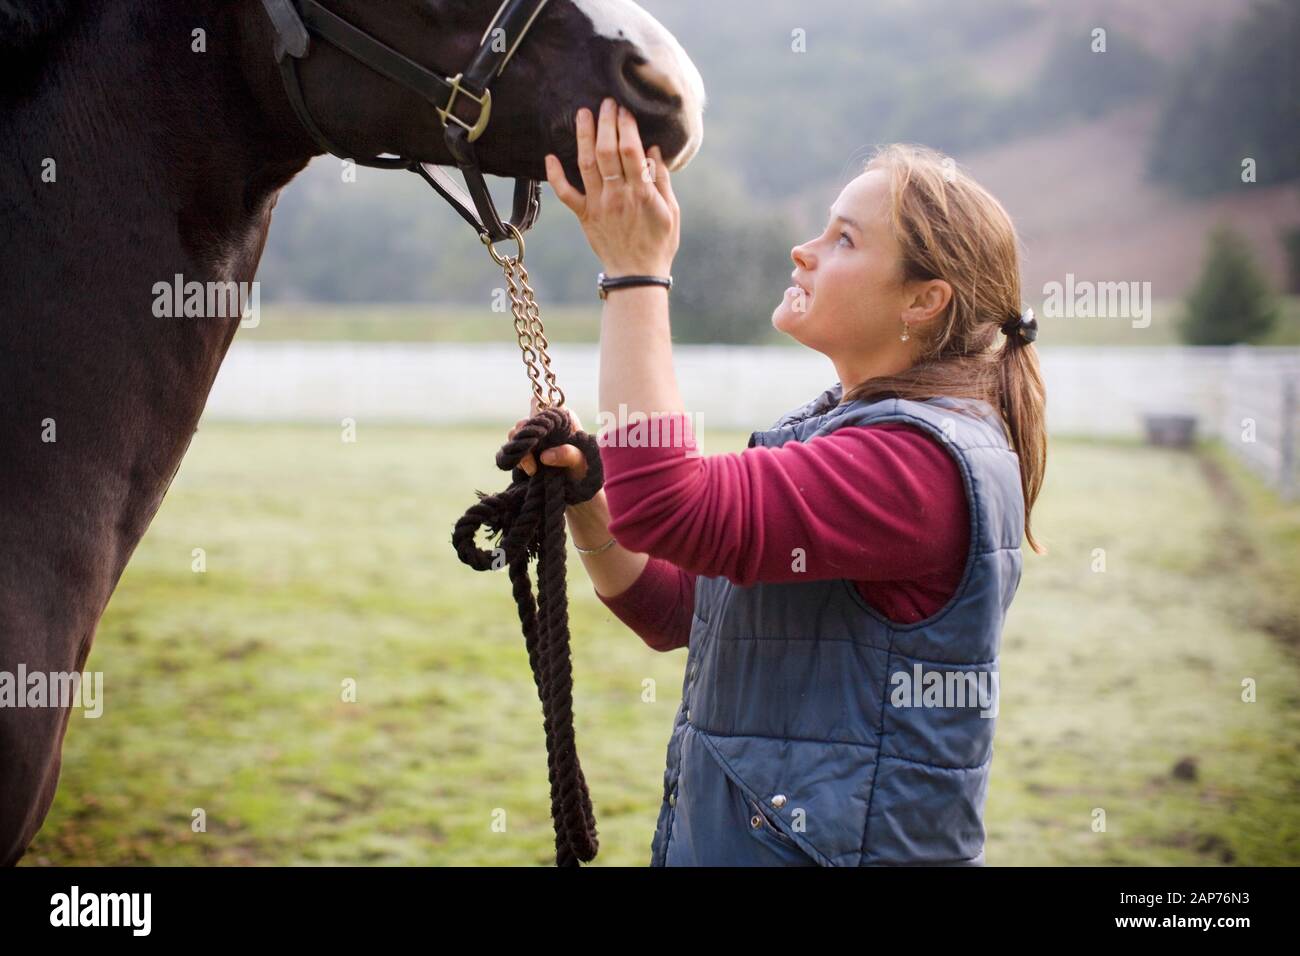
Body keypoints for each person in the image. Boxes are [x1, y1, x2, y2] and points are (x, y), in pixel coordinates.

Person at [509, 96, 1047, 866]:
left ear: (924, 302)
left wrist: (634, 273)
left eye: (844, 240)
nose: (804, 250)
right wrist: (589, 501)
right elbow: (678, 610)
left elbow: (668, 507)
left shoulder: (915, 464)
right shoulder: (856, 431)